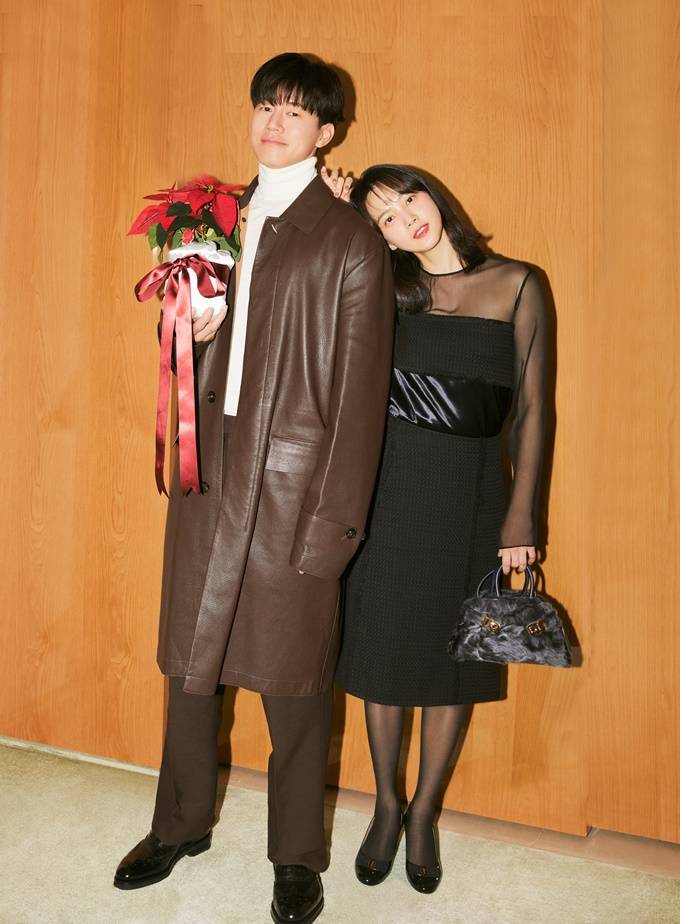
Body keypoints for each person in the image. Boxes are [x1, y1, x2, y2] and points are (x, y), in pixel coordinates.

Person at [114, 55, 394, 924]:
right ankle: (179, 824)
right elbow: (187, 351)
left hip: (296, 484)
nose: (275, 121)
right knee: (189, 668)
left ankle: (297, 856)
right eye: (266, 105)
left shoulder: (348, 239)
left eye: (296, 111)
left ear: (327, 133)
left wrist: (336, 523)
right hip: (210, 475)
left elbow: (361, 399)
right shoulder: (210, 218)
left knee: (294, 682)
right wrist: (192, 332)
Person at [322, 164, 547, 893]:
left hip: (474, 496)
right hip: (389, 495)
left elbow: (534, 411)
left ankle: (423, 812)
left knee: (455, 660)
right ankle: (387, 805)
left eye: (408, 198)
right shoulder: (385, 291)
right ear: (381, 238)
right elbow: (322, 311)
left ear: (434, 195)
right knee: (384, 654)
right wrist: (340, 218)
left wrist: (522, 517)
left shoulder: (518, 283)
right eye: (384, 217)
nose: (405, 217)